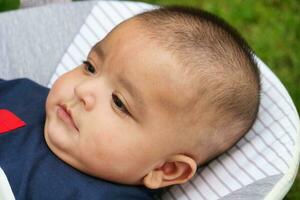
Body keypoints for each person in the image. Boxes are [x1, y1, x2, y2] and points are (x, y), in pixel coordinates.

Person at [0, 6, 260, 199]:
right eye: (90, 67)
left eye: (119, 103)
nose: (84, 90)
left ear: (166, 168)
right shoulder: (23, 94)